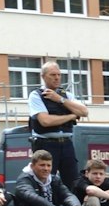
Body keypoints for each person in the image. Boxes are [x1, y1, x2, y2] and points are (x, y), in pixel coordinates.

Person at [27, 61, 88, 191]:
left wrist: (59, 99)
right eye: (53, 74)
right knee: (46, 183)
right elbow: (46, 121)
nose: (57, 78)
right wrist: (72, 116)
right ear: (43, 76)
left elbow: (84, 111)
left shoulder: (66, 95)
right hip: (46, 145)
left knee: (73, 182)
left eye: (59, 75)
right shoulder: (36, 95)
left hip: (66, 144)